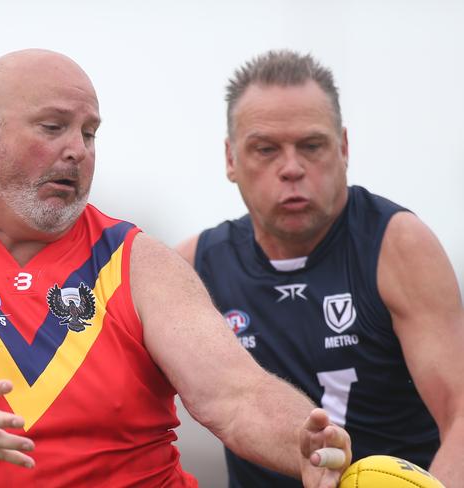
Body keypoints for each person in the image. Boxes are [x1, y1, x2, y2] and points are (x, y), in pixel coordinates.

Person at [0, 49, 351, 488]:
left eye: (90, 133)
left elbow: (236, 394)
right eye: (53, 127)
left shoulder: (138, 260)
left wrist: (303, 439)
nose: (76, 151)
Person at [176, 49, 464, 488]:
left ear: (344, 147)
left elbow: (461, 413)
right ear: (231, 159)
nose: (291, 168)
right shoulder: (195, 266)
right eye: (266, 149)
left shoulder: (396, 244)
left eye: (311, 146)